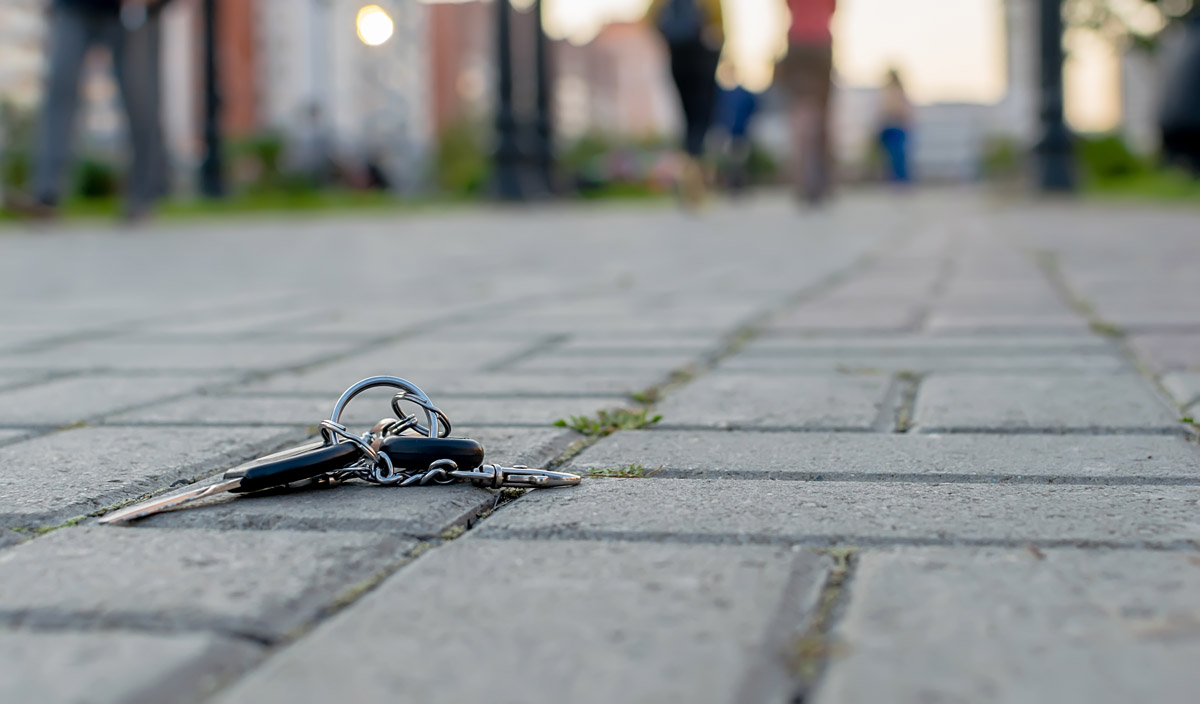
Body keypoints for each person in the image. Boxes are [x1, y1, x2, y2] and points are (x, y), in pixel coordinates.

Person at [7, 0, 167, 222]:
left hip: (132, 11)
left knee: (140, 100)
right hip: (74, 6)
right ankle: (46, 195)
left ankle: (143, 198)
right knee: (59, 90)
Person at [646, 0, 725, 207]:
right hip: (702, 58)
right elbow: (719, 27)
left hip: (678, 57)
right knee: (701, 119)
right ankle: (695, 182)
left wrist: (671, 40)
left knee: (687, 120)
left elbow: (650, 19)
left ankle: (689, 179)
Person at [777, 0, 836, 205]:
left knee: (799, 113)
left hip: (796, 43)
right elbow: (834, 9)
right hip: (821, 43)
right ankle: (822, 179)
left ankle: (802, 179)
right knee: (822, 114)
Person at [716, 63, 758, 195]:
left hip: (741, 133)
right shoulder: (722, 92)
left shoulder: (744, 93)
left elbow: (753, 109)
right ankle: (730, 185)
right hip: (726, 133)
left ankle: (739, 186)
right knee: (728, 161)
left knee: (739, 161)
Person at [877, 68, 913, 184]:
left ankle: (901, 180)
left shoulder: (898, 91)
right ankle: (894, 179)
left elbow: (903, 110)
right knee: (892, 156)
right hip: (889, 126)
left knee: (898, 155)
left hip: (898, 126)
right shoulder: (887, 90)